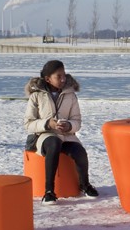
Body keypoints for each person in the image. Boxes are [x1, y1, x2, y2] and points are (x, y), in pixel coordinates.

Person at [24, 59, 99, 203]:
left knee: (79, 151)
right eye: (58, 76)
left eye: (64, 75)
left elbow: (77, 121)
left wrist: (69, 126)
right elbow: (29, 123)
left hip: (67, 136)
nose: (63, 79)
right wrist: (48, 124)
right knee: (54, 143)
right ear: (48, 79)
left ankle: (85, 185)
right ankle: (49, 191)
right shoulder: (36, 96)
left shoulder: (70, 95)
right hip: (45, 136)